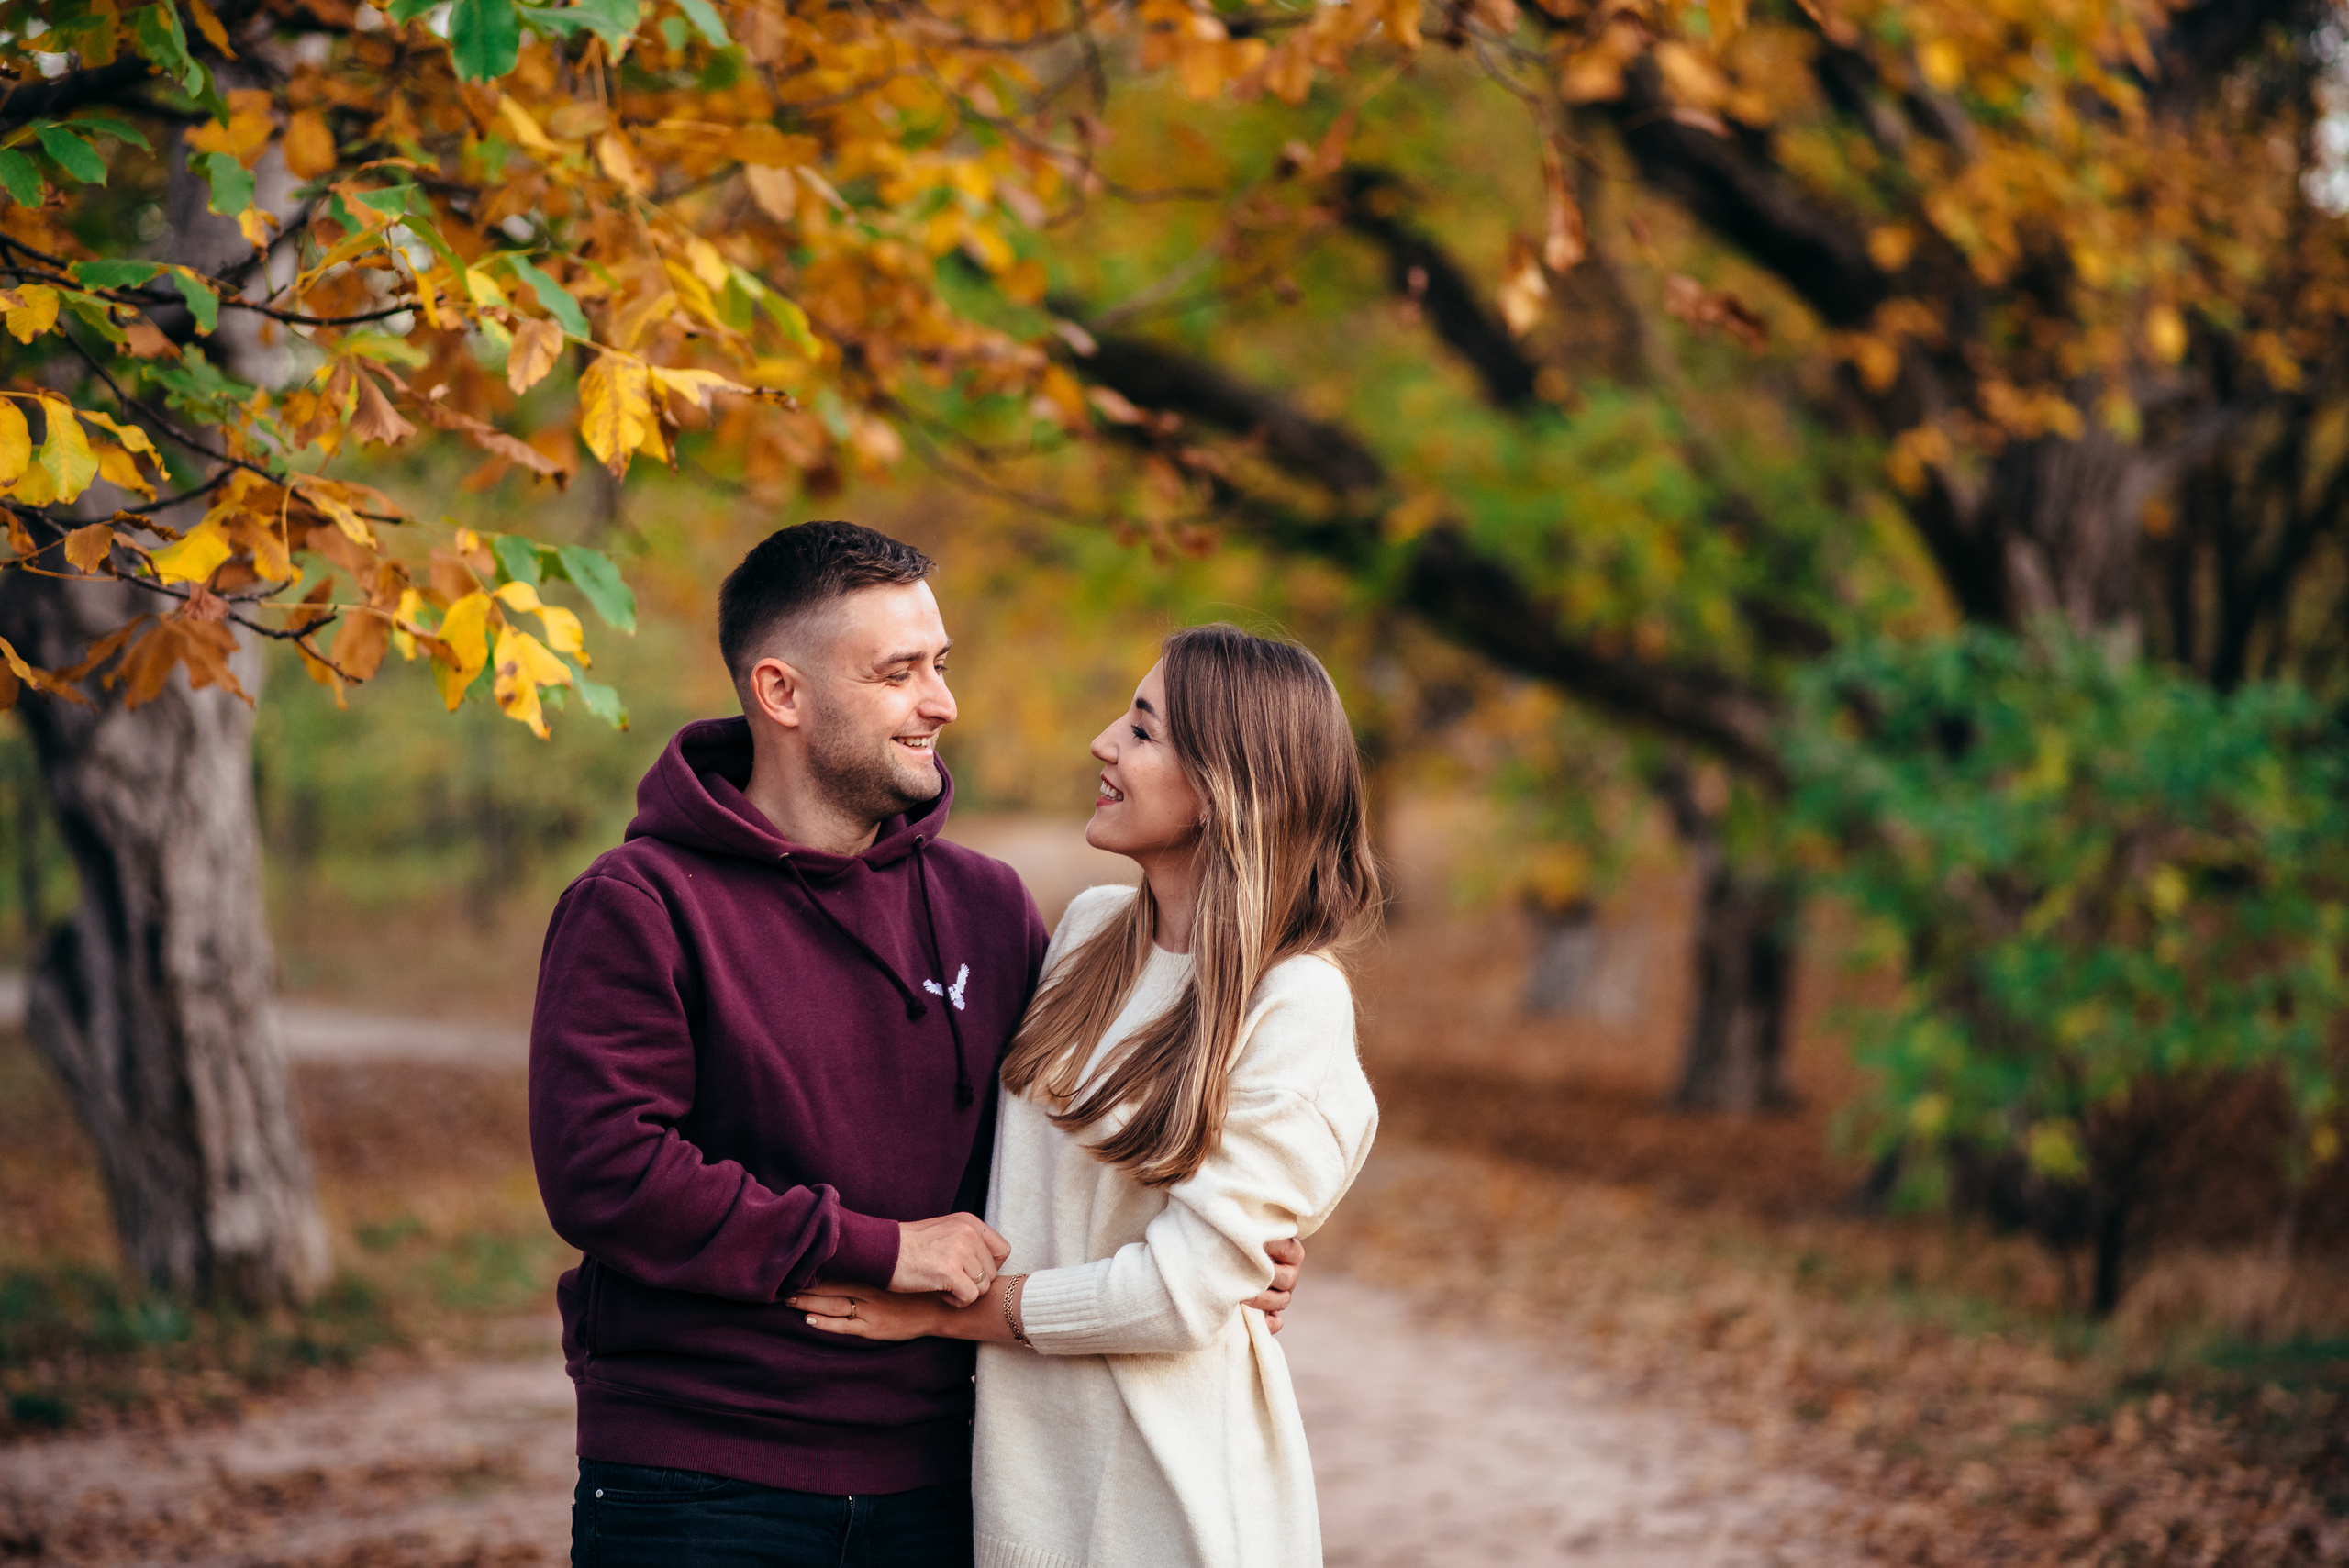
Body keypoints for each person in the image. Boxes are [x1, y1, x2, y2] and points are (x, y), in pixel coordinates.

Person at [529, 523, 1300, 1568]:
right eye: (898, 673)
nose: (939, 702)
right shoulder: (641, 906)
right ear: (781, 692)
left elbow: (1065, 1140)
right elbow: (608, 1174)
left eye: (939, 665)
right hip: (701, 1470)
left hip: (951, 1476)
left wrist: (1220, 1244)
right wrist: (883, 1248)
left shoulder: (990, 906)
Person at [790, 623, 1383, 1568]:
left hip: (1174, 1483)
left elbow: (1176, 1295)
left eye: (1143, 731)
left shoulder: (1293, 999)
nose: (1104, 742)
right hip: (1025, 1471)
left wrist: (946, 1309)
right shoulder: (1089, 934)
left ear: (1224, 789)